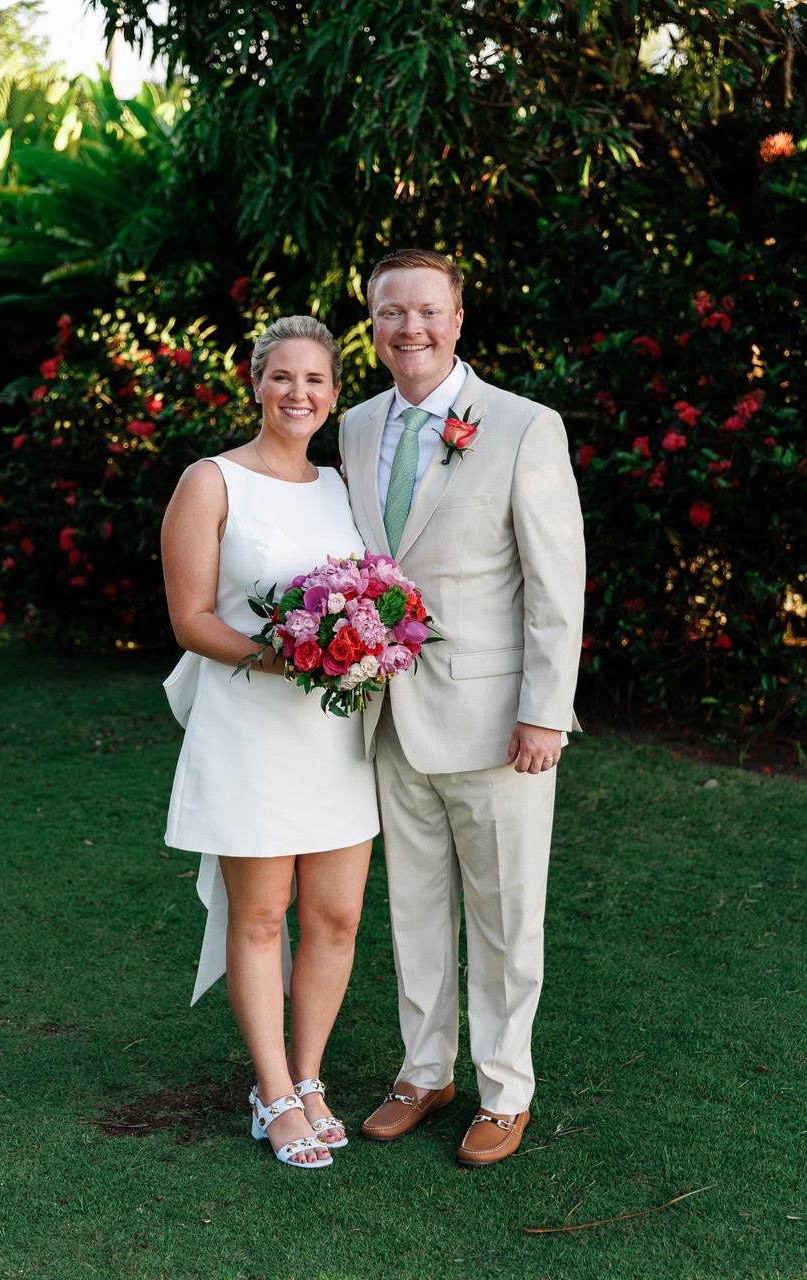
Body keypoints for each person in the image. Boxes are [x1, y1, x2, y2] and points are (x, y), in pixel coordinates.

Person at [339, 249, 585, 1167]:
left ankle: (504, 1089)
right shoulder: (355, 426)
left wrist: (544, 712)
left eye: (426, 311)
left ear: (456, 319)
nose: (410, 327)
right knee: (413, 909)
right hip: (387, 716)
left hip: (495, 722)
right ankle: (423, 1072)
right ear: (372, 324)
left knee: (505, 914)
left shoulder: (523, 425)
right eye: (391, 312)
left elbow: (554, 580)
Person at [161, 315, 379, 1169]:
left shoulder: (341, 487)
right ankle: (273, 1092)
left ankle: (311, 1077)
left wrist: (363, 646)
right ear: (255, 383)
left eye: (315, 379)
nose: (298, 392)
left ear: (333, 394)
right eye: (281, 376)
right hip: (250, 725)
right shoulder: (210, 481)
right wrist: (280, 658)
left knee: (336, 915)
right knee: (260, 918)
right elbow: (189, 618)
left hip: (334, 733)